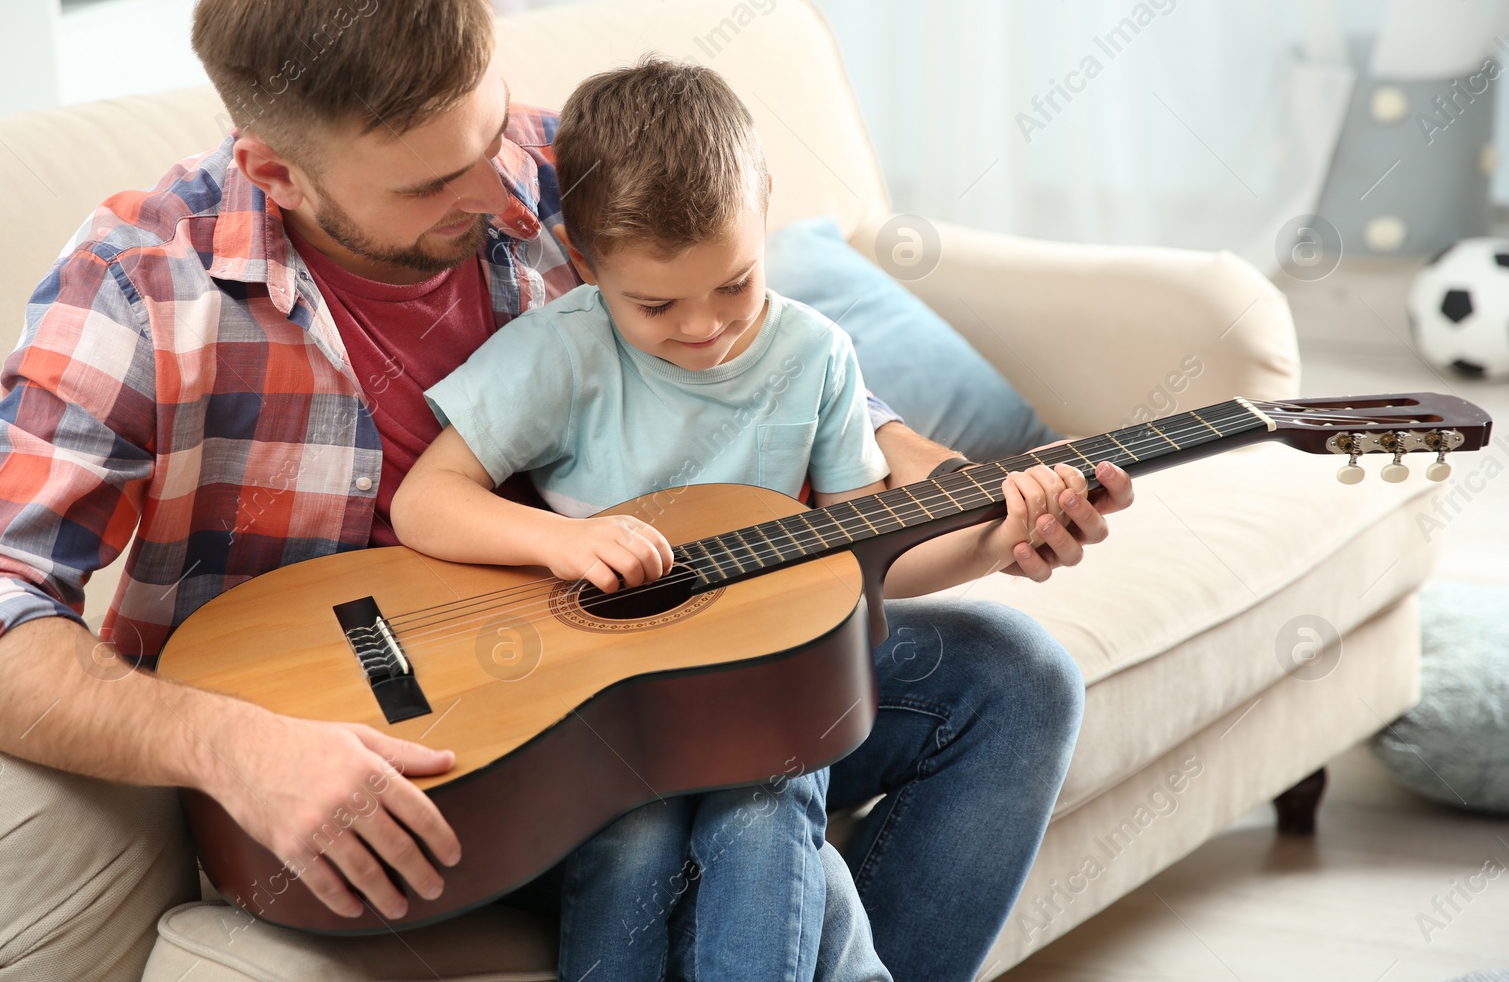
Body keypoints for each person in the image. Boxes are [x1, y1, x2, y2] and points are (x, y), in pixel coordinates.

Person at [0, 0, 1131, 980]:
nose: (504, 191)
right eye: (433, 181)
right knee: (719, 838)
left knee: (1012, 681)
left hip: (626, 656)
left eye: (493, 132)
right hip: (403, 734)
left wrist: (973, 500)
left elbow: (789, 388)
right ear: (274, 170)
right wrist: (233, 744)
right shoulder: (140, 286)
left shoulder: (564, 170)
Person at [388, 57, 1076, 982]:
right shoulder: (564, 352)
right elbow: (425, 500)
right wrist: (566, 540)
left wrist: (998, 538)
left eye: (737, 284)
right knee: (632, 842)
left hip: (764, 686)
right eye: (657, 303)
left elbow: (864, 558)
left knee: (774, 787)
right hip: (609, 707)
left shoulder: (817, 355)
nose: (706, 327)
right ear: (588, 266)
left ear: (764, 217)